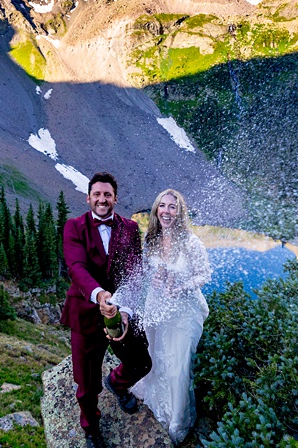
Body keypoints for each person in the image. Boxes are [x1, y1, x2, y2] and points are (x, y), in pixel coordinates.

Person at [61, 172, 152, 448]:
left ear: (115, 198)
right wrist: (99, 295)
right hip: (87, 314)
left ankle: (118, 383)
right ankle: (91, 428)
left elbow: (134, 272)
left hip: (121, 312)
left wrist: (124, 309)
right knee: (86, 384)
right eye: (97, 195)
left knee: (142, 362)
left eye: (107, 195)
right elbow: (76, 268)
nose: (102, 199)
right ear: (88, 198)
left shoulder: (130, 228)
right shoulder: (74, 227)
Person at [125, 189, 212, 444]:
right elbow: (144, 271)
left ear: (180, 212)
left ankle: (177, 421)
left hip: (183, 312)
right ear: (156, 210)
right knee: (156, 357)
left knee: (178, 369)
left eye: (172, 207)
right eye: (162, 206)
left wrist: (181, 285)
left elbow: (204, 275)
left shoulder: (191, 242)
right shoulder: (151, 239)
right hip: (157, 308)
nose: (166, 211)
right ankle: (156, 403)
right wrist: (154, 278)